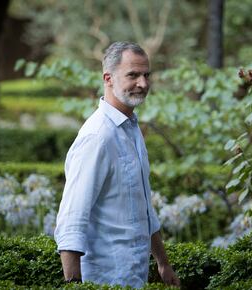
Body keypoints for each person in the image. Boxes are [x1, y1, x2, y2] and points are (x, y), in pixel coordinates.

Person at [54, 41, 180, 288]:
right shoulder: (98, 137)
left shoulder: (131, 128)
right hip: (104, 281)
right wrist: (74, 285)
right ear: (108, 78)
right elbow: (71, 221)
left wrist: (163, 262)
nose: (143, 83)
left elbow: (144, 206)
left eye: (146, 75)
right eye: (133, 75)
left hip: (133, 278)